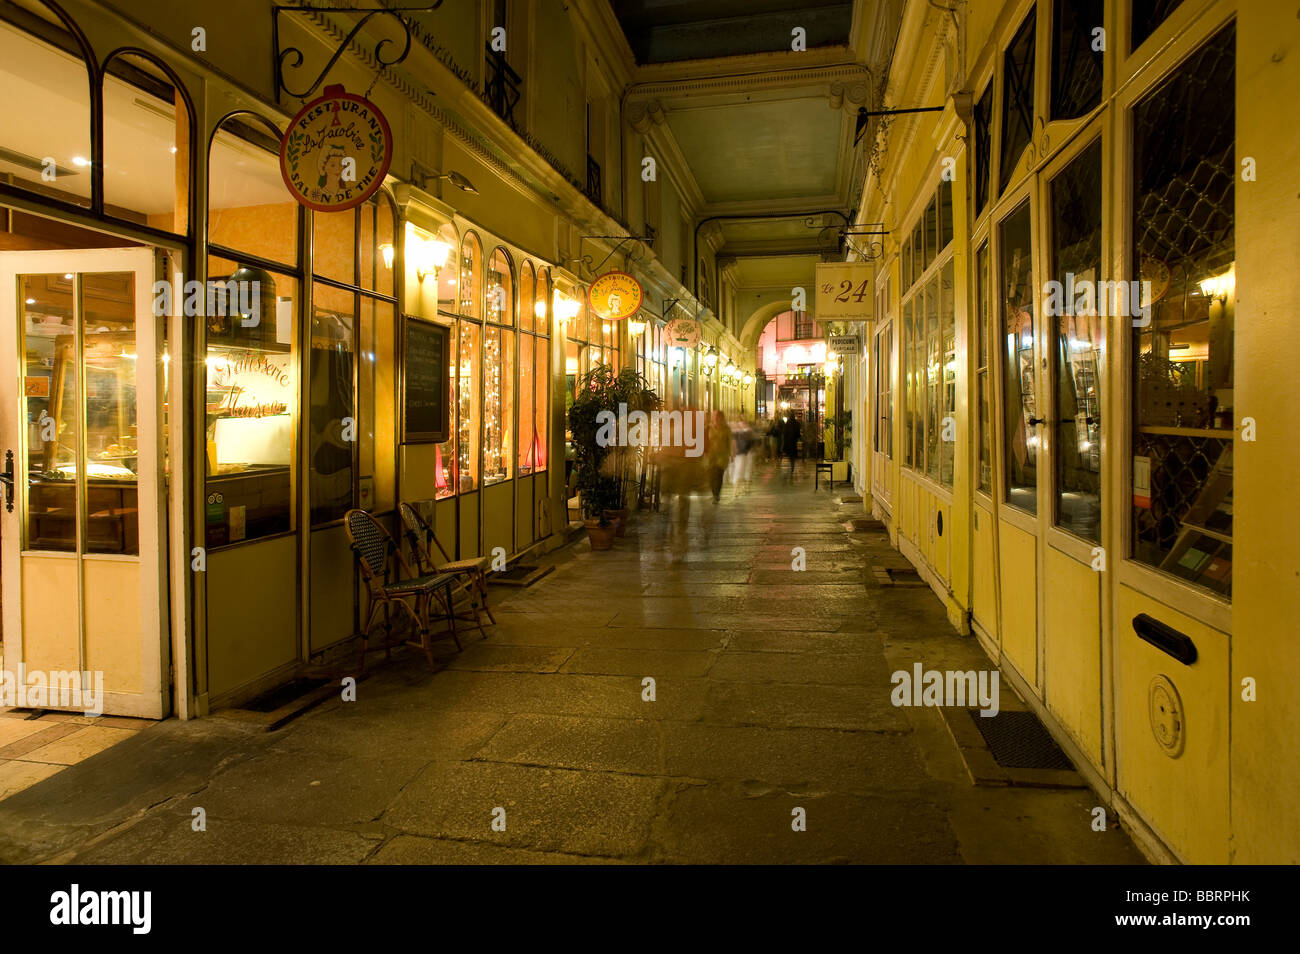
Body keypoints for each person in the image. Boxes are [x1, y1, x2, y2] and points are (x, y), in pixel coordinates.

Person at [705, 410, 732, 503]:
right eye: (714, 416)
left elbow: (730, 442)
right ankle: (714, 493)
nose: (716, 418)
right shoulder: (709, 427)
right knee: (711, 477)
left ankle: (716, 495)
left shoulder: (726, 429)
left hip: (722, 456)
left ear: (722, 418)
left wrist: (731, 454)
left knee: (718, 475)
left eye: (718, 416)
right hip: (711, 457)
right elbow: (705, 440)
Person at [781, 414, 801, 480]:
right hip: (793, 442)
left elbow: (784, 433)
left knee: (790, 454)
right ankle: (792, 465)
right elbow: (798, 433)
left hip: (788, 442)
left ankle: (791, 464)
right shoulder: (796, 423)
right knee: (793, 455)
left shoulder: (787, 423)